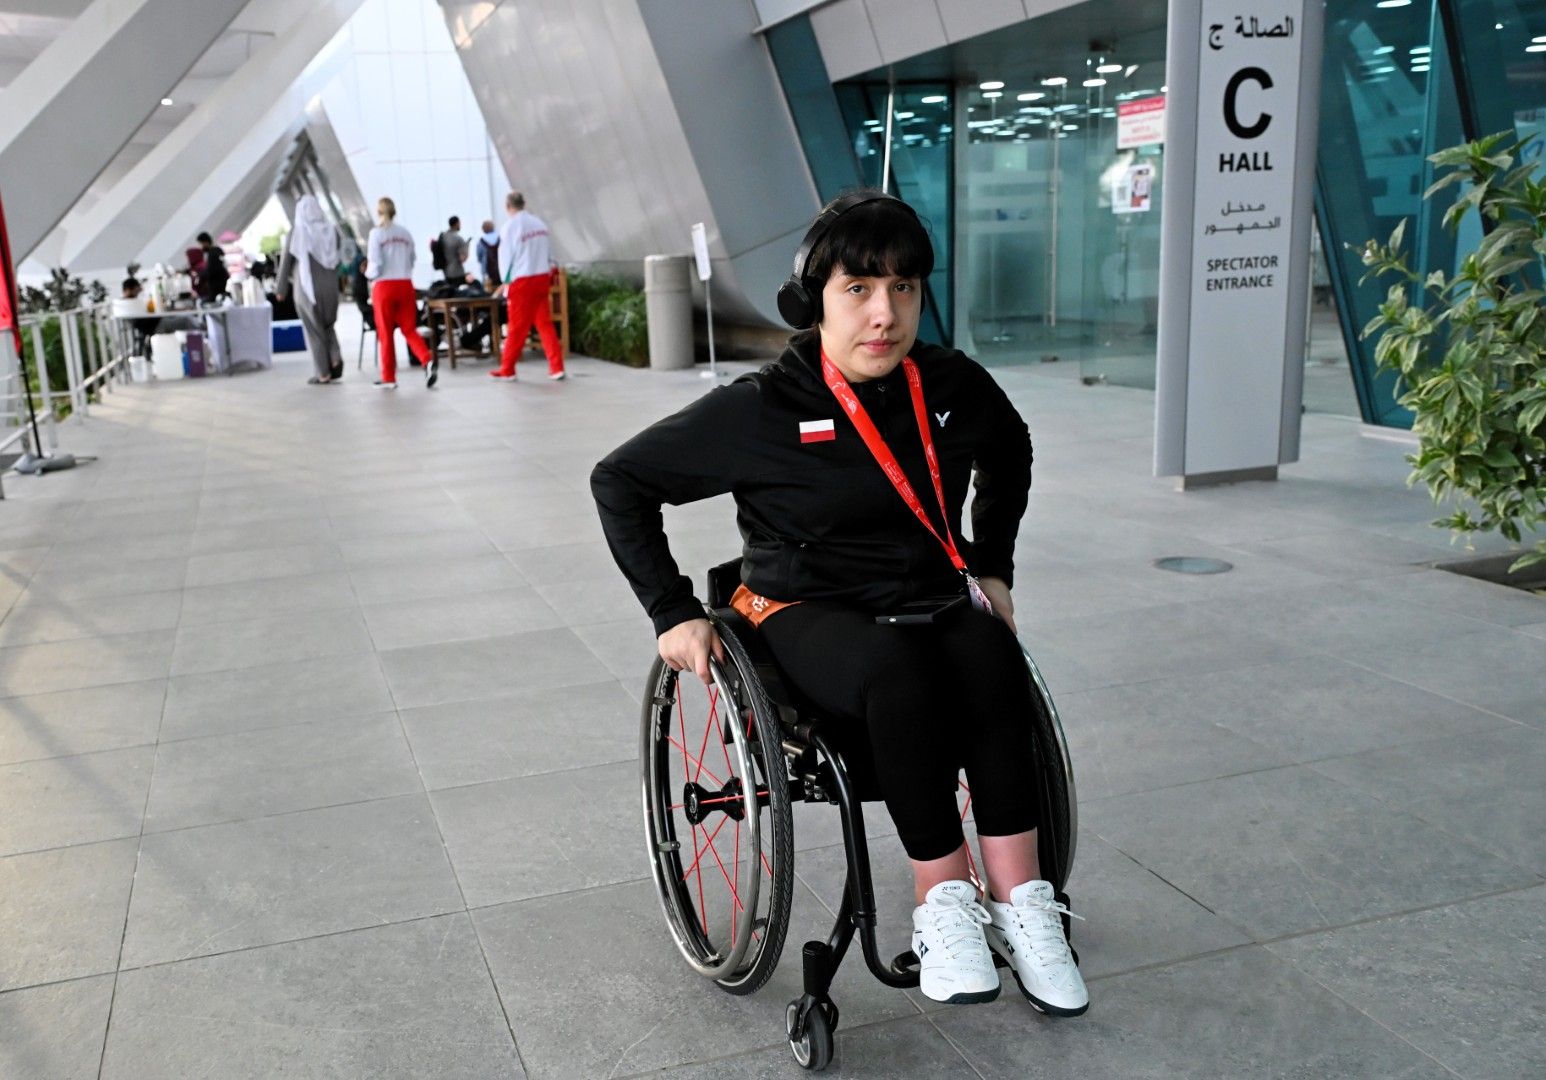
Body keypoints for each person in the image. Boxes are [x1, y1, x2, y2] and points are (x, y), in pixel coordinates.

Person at [591, 191, 1088, 1017]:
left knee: (993, 654)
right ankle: (944, 904)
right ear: (814, 298)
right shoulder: (764, 405)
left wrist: (991, 564)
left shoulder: (949, 382)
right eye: (858, 289)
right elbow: (621, 480)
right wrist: (671, 610)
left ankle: (1024, 905)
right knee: (898, 673)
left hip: (930, 596)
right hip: (801, 609)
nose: (884, 314)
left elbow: (1010, 449)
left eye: (903, 289)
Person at [490, 190, 565, 381]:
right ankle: (557, 367)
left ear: (508, 206)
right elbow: (550, 253)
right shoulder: (539, 224)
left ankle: (507, 368)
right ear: (523, 204)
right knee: (544, 324)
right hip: (541, 277)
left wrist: (506, 283)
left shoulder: (510, 227)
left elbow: (505, 258)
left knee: (516, 327)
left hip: (521, 280)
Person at [365, 196, 436, 390]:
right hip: (405, 285)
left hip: (384, 286)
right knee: (409, 329)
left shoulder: (376, 234)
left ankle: (389, 377)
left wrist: (368, 275)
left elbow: (376, 263)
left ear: (379, 212)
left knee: (386, 333)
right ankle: (426, 359)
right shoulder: (405, 234)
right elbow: (412, 259)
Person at [275, 194, 344, 384]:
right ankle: (335, 357)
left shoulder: (297, 232)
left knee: (314, 331)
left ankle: (323, 373)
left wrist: (281, 289)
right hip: (330, 288)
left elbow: (285, 263)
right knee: (328, 325)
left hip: (306, 289)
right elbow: (338, 258)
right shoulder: (332, 231)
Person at [194, 232, 229, 303]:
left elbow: (211, 270)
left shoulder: (212, 253)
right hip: (221, 286)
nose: (200, 247)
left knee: (202, 303)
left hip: (216, 288)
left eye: (200, 244)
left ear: (205, 242)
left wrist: (200, 275)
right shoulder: (217, 251)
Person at [439, 215, 470, 284]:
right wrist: (467, 248)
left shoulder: (443, 236)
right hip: (457, 272)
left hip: (446, 271)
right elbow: (462, 259)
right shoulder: (458, 238)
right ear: (457, 224)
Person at [475, 218, 499, 288]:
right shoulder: (500, 238)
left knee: (488, 290)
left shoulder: (480, 242)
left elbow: (479, 258)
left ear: (483, 229)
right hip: (500, 270)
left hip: (487, 272)